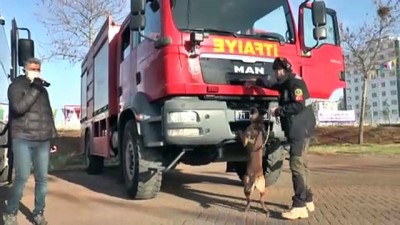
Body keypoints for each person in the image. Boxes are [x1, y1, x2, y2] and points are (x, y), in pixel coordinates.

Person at [244, 57, 316, 220]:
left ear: (284, 70)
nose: (276, 74)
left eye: (277, 71)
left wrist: (278, 111)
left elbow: (299, 105)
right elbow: (272, 85)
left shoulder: (295, 84)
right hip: (301, 128)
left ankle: (299, 206)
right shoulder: (286, 82)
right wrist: (256, 81)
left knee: (296, 164)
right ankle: (308, 199)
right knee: (302, 164)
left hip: (300, 129)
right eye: (276, 71)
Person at [3, 57, 56, 225]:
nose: (36, 71)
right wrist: (34, 88)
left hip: (43, 139)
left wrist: (53, 137)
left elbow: (47, 114)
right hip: (23, 138)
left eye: (38, 68)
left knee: (42, 179)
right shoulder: (16, 86)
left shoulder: (43, 89)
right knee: (22, 177)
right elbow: (19, 108)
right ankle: (10, 213)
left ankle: (38, 212)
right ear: (25, 69)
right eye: (32, 68)